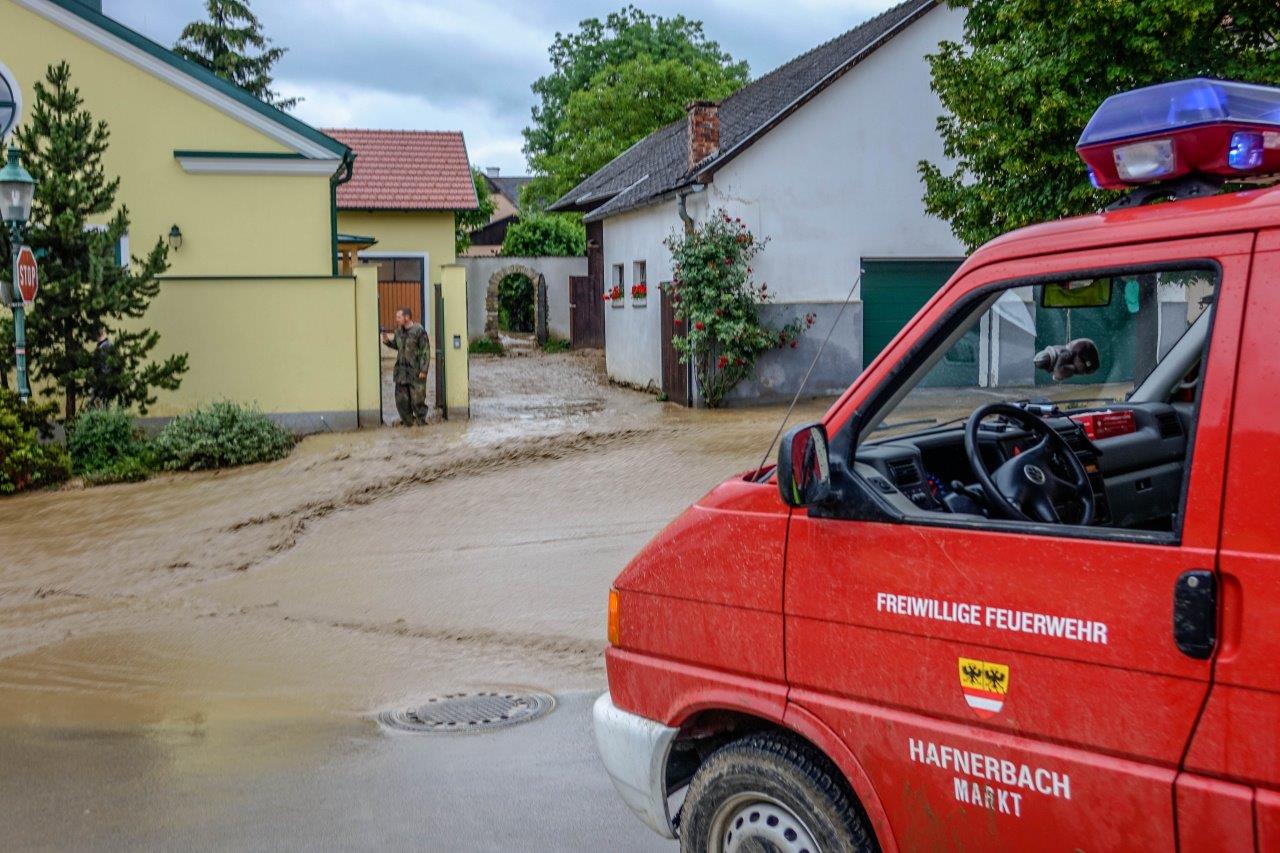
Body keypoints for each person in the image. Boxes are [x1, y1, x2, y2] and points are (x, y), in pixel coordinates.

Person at [382, 308, 431, 426]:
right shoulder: (398, 331)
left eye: (398, 317)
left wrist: (424, 370)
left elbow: (425, 351)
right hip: (401, 372)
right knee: (401, 401)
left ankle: (420, 424)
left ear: (407, 317)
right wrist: (388, 342)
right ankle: (408, 424)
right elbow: (398, 346)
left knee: (417, 400)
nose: (396, 319)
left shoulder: (419, 331)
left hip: (416, 371)